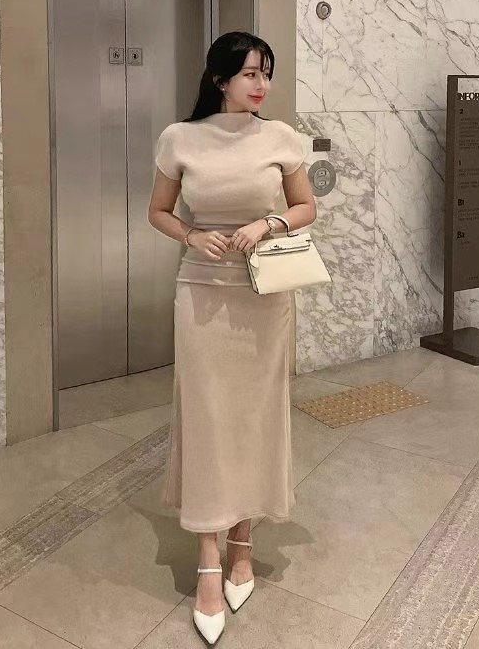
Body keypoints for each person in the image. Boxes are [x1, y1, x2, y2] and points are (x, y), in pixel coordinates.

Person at [148, 31, 316, 645]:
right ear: (220, 78)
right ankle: (209, 561)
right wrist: (193, 236)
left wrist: (267, 223)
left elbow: (305, 207)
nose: (260, 84)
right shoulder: (179, 138)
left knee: (255, 415)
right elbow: (159, 211)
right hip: (201, 291)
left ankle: (243, 540)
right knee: (208, 418)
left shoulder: (281, 137)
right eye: (249, 73)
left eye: (265, 72)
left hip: (263, 293)